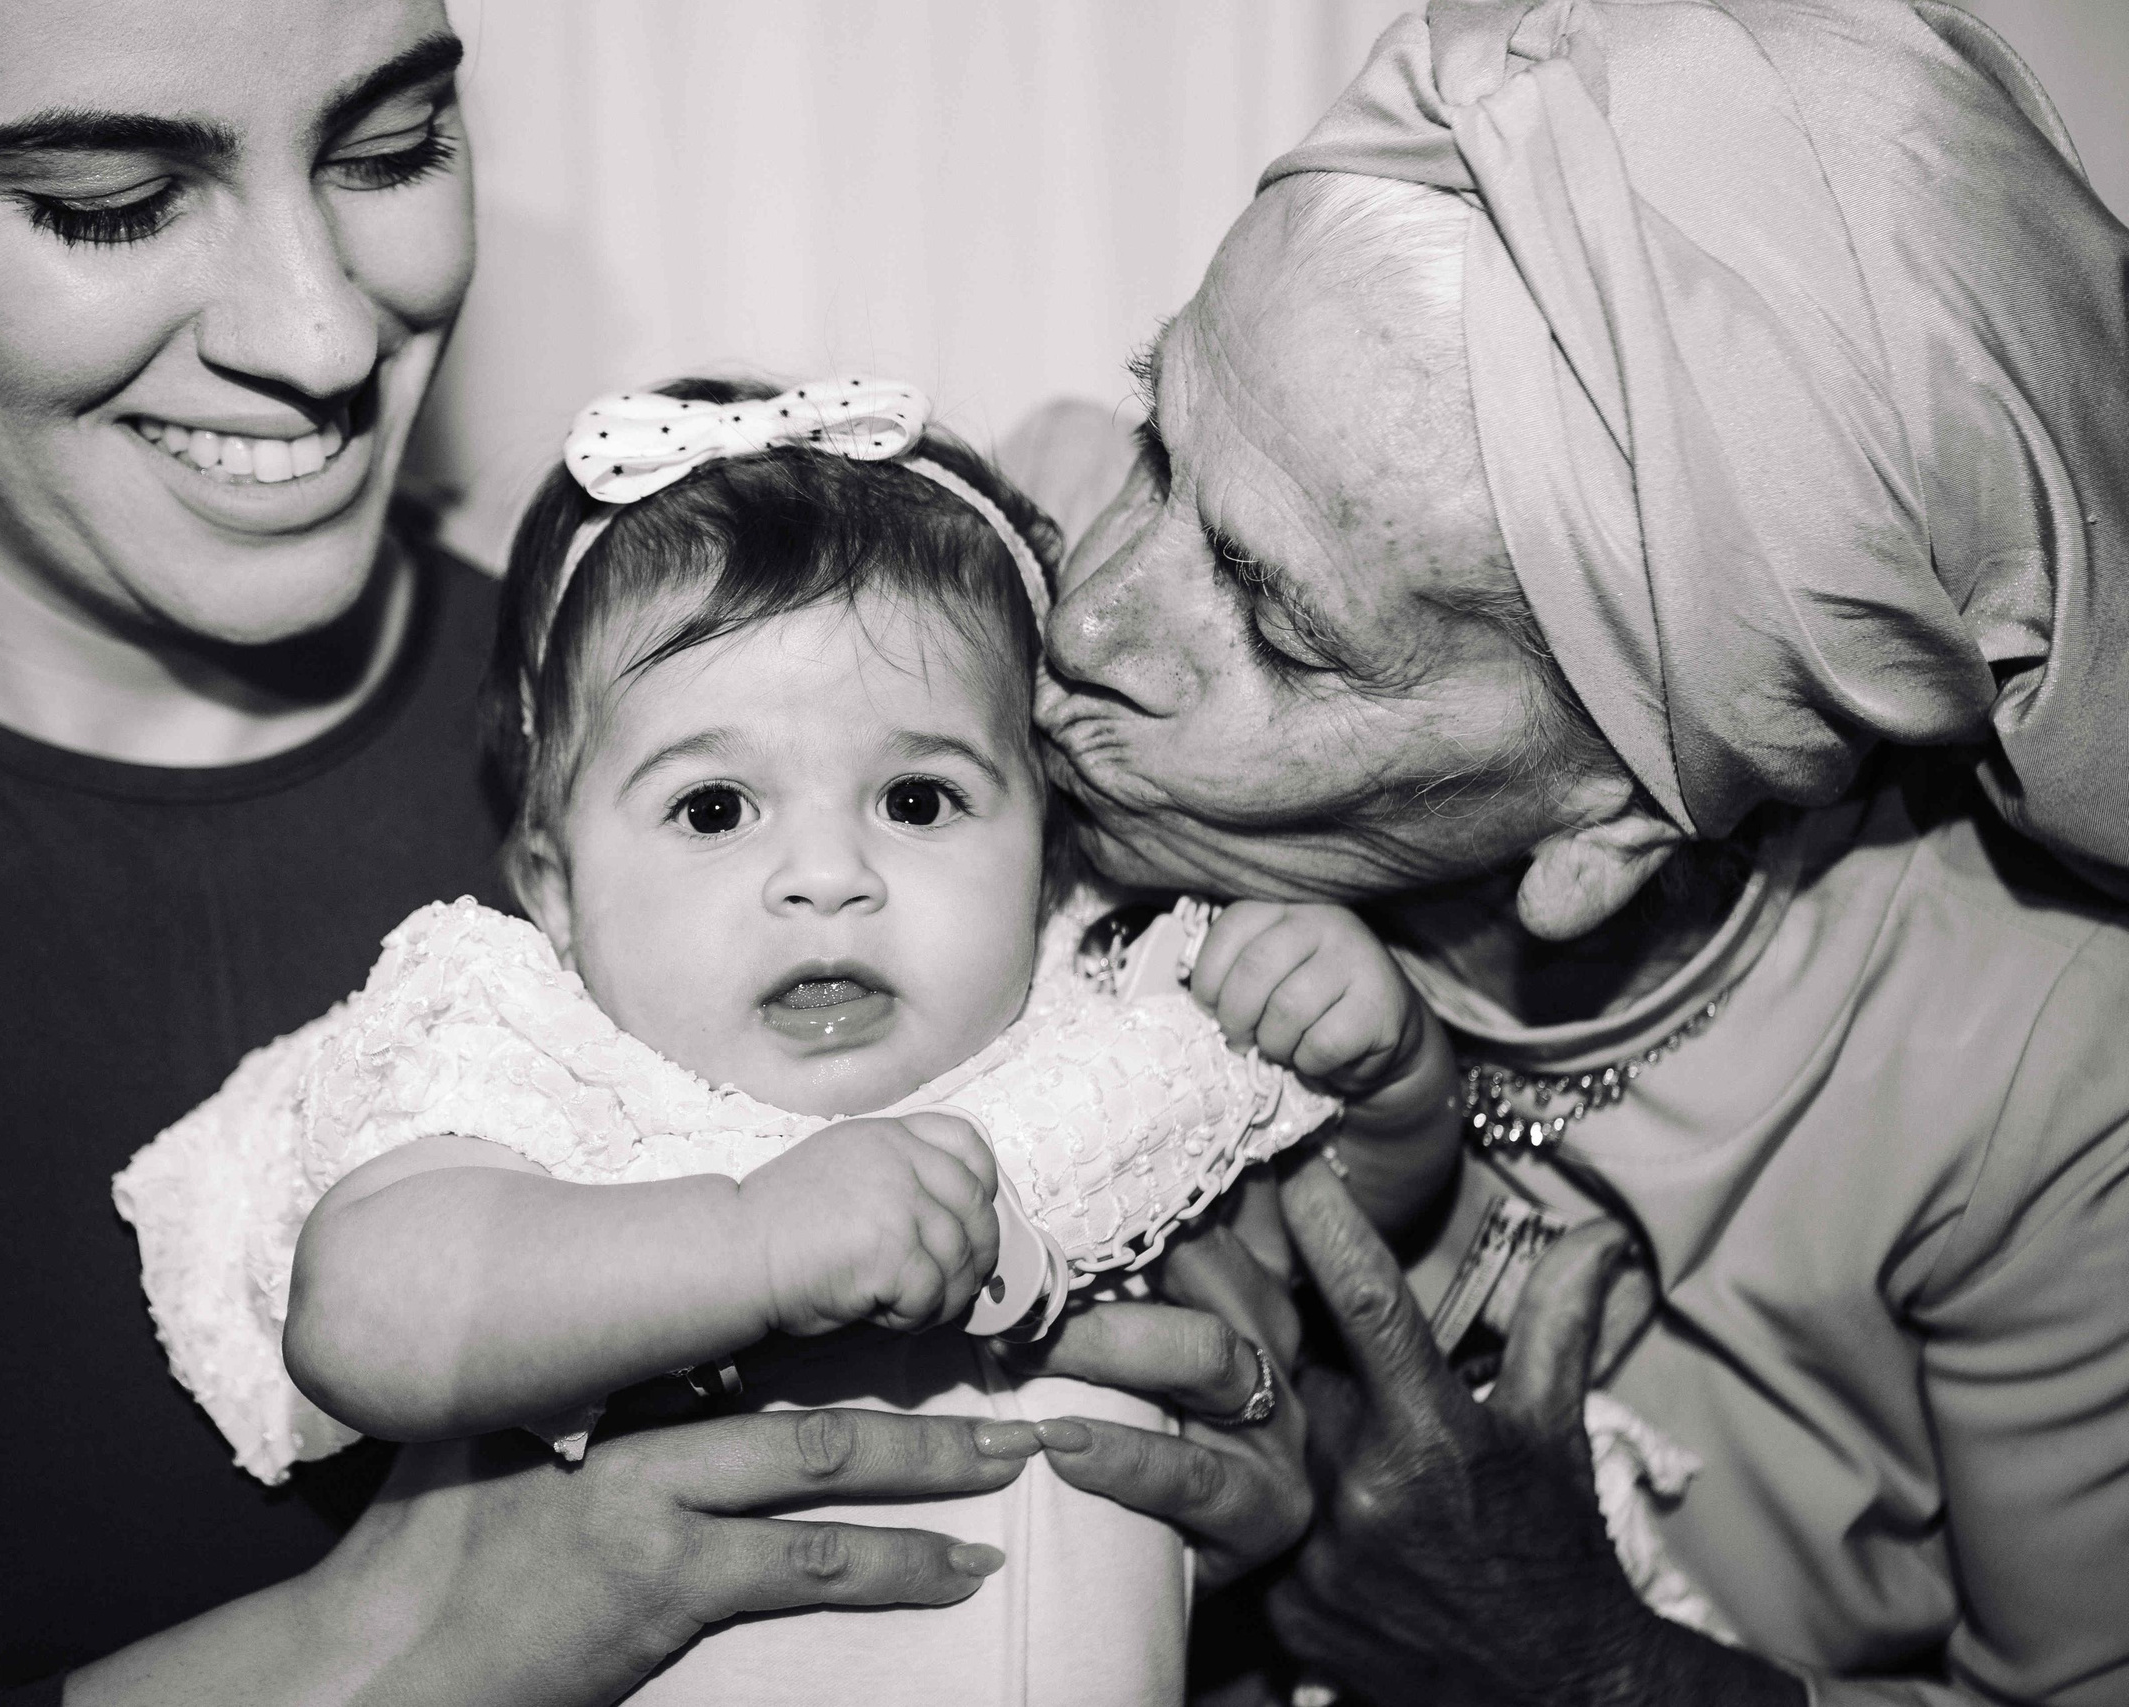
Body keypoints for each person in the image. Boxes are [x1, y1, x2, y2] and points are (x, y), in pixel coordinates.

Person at [0, 4, 1320, 1702]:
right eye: (112, 202)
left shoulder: (697, 702)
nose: (324, 334)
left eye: (393, 147)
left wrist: (1220, 1558)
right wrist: (374, 1655)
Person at [1026, 0, 2129, 1702]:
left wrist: (1589, 1671)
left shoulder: (2042, 1075)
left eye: (1273, 620)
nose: (1082, 617)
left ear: (1611, 821)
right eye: (1159, 436)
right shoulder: (959, 606)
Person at [109, 374, 1461, 1704]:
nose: (826, 876)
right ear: (556, 891)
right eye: (713, 810)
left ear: (1049, 856)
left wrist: (1388, 1079)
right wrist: (752, 1244)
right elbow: (368, 1314)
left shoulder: (1102, 1015)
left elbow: (1325, 1240)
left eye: (918, 799)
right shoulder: (559, 1069)